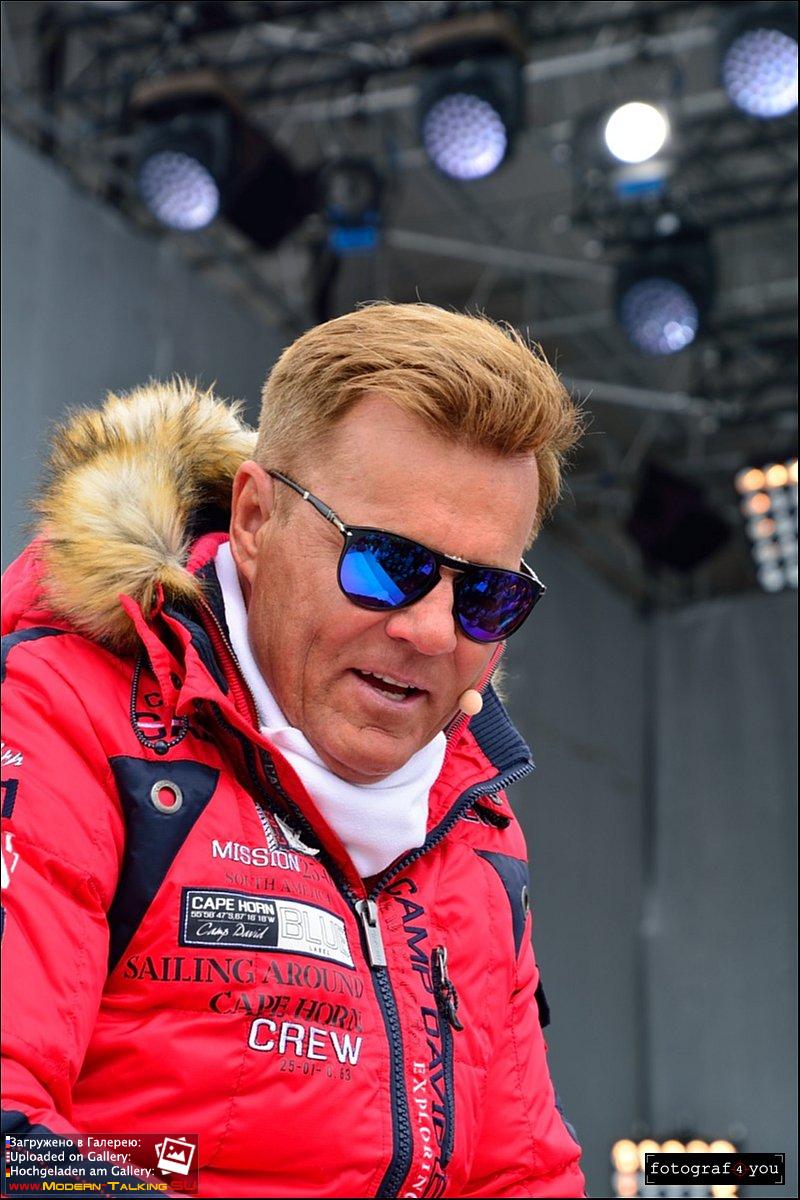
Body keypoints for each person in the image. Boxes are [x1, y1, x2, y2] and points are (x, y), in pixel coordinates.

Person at [1, 303, 587, 1198]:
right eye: (386, 563)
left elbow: (522, 1176)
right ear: (254, 518)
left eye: (486, 598)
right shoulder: (62, 712)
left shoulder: (475, 819)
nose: (433, 632)